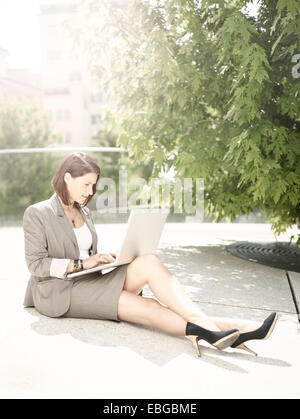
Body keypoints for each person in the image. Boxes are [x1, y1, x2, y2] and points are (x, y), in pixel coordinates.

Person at [23, 152, 278, 357]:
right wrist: (81, 263)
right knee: (148, 305)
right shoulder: (38, 213)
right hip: (60, 290)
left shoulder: (84, 212)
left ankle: (209, 327)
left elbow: (83, 250)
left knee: (148, 262)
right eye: (86, 184)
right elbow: (35, 265)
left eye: (93, 185)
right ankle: (227, 330)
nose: (90, 192)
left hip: (90, 280)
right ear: (67, 178)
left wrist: (101, 258)